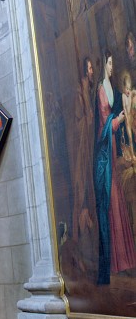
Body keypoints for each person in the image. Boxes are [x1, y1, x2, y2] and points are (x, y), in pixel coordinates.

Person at [94, 50, 136, 284]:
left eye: (112, 63)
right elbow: (104, 125)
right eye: (109, 63)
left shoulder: (108, 87)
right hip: (105, 156)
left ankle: (126, 261)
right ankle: (118, 262)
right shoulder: (102, 89)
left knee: (119, 199)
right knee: (113, 203)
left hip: (112, 151)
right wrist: (118, 120)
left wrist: (119, 119)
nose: (112, 67)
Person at [71, 56, 95, 239]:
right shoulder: (80, 90)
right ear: (84, 71)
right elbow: (79, 119)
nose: (92, 71)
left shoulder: (90, 88)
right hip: (83, 147)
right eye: (89, 68)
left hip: (92, 142)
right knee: (83, 182)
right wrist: (88, 118)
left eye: (92, 68)